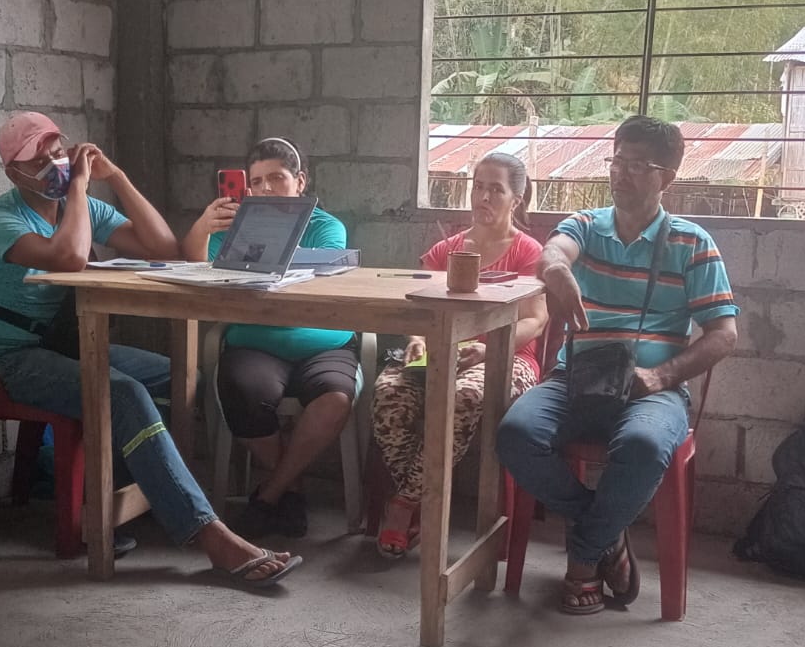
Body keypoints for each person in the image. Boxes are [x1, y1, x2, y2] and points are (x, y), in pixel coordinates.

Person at [0, 112, 302, 589]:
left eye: (59, 153)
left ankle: (140, 494)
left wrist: (116, 178)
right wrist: (79, 187)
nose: (56, 165)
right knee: (123, 394)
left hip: (70, 345)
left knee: (180, 377)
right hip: (15, 361)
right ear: (13, 173)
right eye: (39, 161)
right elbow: (69, 258)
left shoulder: (81, 207)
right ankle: (211, 536)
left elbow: (163, 248)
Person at [496, 116, 739, 615]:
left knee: (643, 445)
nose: (620, 173)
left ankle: (584, 558)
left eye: (637, 165)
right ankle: (604, 536)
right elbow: (555, 250)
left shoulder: (692, 243)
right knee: (515, 434)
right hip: (576, 378)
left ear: (667, 177)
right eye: (616, 160)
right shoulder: (586, 226)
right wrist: (557, 268)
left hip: (652, 389)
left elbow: (724, 334)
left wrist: (661, 376)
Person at [370, 152, 547, 559]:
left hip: (507, 357)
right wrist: (417, 339)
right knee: (388, 394)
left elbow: (536, 321)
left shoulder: (529, 253)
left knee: (464, 397)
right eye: (478, 187)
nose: (483, 197)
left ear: (516, 199)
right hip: (441, 351)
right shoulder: (445, 250)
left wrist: (489, 349)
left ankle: (405, 504)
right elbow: (418, 312)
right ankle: (421, 498)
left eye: (496, 190)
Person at [183, 137, 356, 538]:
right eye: (257, 182)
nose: (265, 189)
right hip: (255, 341)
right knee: (240, 389)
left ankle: (269, 495)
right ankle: (290, 492)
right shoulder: (235, 225)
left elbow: (321, 271)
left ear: (300, 182)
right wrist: (203, 227)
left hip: (323, 342)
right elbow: (194, 263)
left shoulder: (325, 227)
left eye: (277, 178)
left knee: (335, 398)